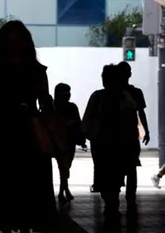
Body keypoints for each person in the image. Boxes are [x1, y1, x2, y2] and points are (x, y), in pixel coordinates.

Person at [0, 20, 57, 233]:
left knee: (19, 185)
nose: (14, 45)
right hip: (21, 128)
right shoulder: (35, 70)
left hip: (13, 128)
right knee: (12, 184)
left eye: (17, 40)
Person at [83, 65, 137, 217]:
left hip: (103, 143)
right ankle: (111, 203)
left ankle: (110, 204)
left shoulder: (100, 96)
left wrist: (87, 135)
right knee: (114, 175)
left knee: (107, 175)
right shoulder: (124, 97)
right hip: (117, 143)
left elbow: (87, 118)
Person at [116, 61, 149, 207]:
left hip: (115, 135)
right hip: (130, 134)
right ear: (130, 74)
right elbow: (141, 113)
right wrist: (146, 131)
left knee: (116, 166)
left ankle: (115, 196)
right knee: (131, 168)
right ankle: (130, 197)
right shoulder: (136, 92)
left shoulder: (110, 93)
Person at [53, 83, 86, 205]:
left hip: (62, 140)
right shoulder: (71, 107)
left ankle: (64, 190)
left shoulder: (53, 107)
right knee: (65, 166)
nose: (68, 95)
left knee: (64, 166)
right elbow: (78, 123)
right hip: (65, 140)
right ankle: (64, 190)